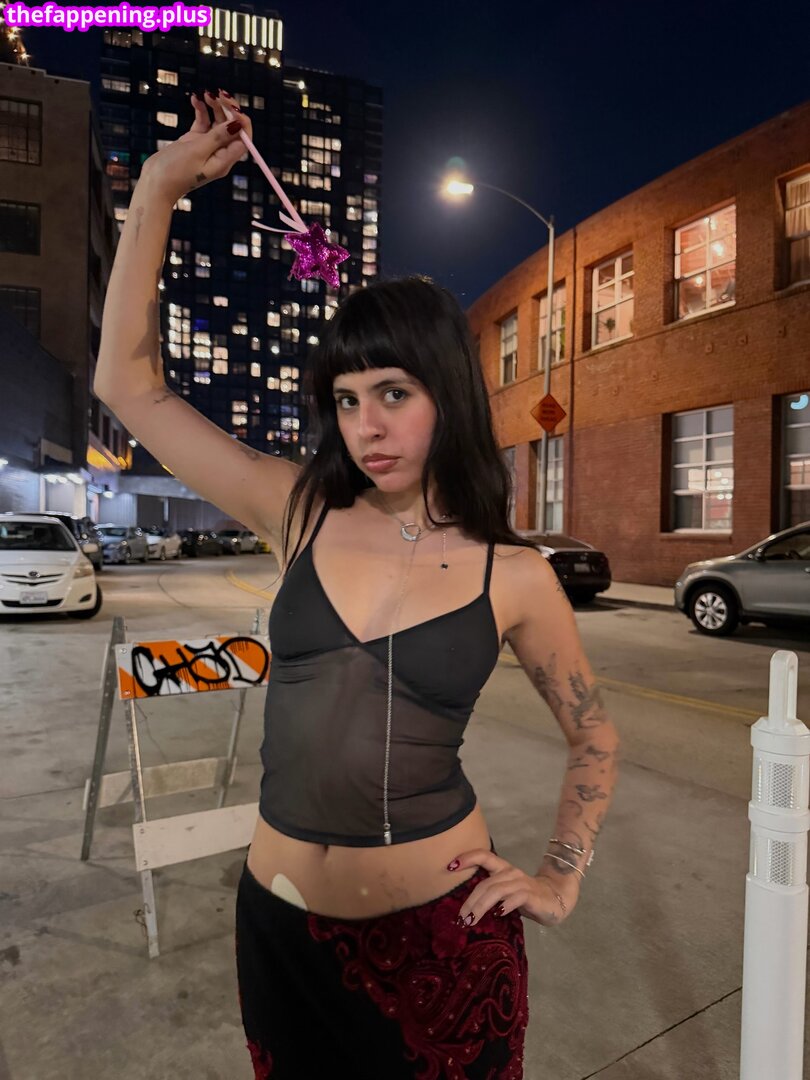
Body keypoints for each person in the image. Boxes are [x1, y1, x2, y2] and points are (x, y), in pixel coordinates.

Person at [95, 89, 621, 1079]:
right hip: (281, 936)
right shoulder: (297, 509)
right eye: (345, 400)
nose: (366, 426)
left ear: (446, 397)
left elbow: (594, 734)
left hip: (442, 946)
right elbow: (129, 387)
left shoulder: (512, 573)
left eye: (393, 393)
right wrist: (159, 188)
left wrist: (561, 875)